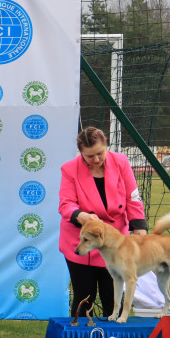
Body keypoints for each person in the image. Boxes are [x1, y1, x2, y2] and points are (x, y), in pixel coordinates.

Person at [59, 126, 147, 318]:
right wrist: (82, 216)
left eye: (100, 153)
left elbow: (133, 199)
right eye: (89, 156)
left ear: (106, 144)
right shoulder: (69, 169)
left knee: (113, 296)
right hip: (82, 240)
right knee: (84, 295)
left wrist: (140, 233)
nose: (96, 159)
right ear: (81, 153)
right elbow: (66, 205)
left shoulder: (121, 162)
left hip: (116, 243)